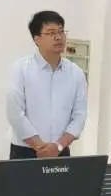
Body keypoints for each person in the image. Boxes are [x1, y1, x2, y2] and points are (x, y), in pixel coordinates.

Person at [6, 11, 87, 159]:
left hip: (60, 151)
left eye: (61, 31)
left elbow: (79, 116)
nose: (58, 37)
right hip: (26, 152)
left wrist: (58, 146)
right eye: (51, 33)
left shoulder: (76, 73)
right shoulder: (21, 69)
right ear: (36, 39)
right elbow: (15, 113)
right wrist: (40, 147)